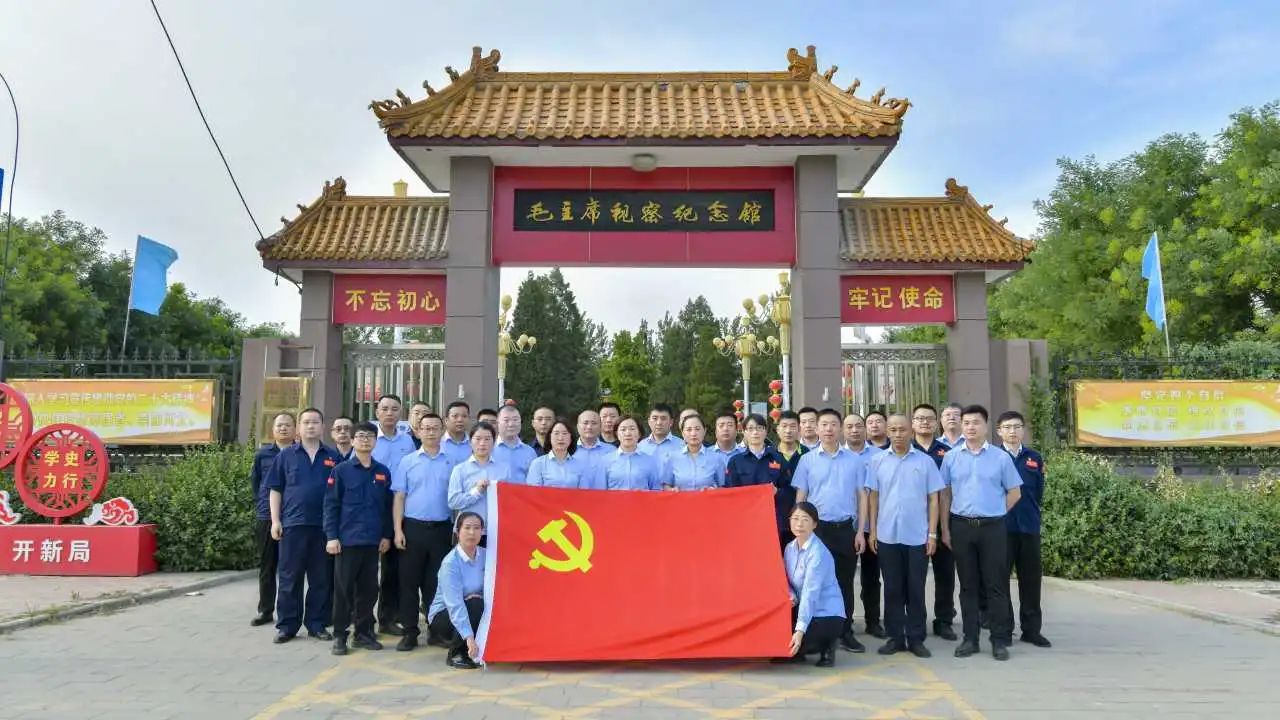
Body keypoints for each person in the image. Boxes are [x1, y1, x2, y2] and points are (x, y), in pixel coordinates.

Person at [941, 404, 1023, 661]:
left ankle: (998, 640)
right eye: (966, 423)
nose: (970, 427)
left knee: (995, 585)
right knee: (968, 586)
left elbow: (1015, 492)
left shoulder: (1000, 458)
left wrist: (996, 511)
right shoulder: (951, 457)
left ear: (986, 426)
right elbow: (945, 494)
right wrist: (945, 529)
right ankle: (970, 638)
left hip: (992, 528)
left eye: (975, 422)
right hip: (961, 527)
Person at [866, 413, 944, 658]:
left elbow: (934, 499)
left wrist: (932, 534)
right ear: (887, 432)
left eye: (902, 430)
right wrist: (873, 530)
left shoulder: (925, 462)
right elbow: (873, 498)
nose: (898, 434)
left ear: (911, 431)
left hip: (917, 536)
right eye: (893, 430)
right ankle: (895, 637)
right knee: (892, 588)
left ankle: (916, 637)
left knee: (916, 588)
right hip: (887, 535)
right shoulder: (877, 461)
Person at [792, 408, 868, 653]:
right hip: (817, 530)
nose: (828, 429)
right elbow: (801, 495)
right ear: (816, 428)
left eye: (833, 424)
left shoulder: (855, 461)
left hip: (845, 529)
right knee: (813, 582)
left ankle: (845, 632)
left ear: (840, 428)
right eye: (823, 424)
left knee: (845, 583)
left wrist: (860, 531)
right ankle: (813, 631)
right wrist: (799, 528)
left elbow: (862, 496)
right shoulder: (807, 460)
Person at [266, 407, 342, 644]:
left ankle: (316, 624)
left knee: (321, 579)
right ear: (299, 427)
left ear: (322, 427)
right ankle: (287, 625)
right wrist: (275, 521)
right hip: (293, 525)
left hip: (324, 528)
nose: (311, 426)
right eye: (306, 422)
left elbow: (341, 494)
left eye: (315, 422)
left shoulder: (333, 457)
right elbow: (275, 489)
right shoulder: (286, 456)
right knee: (290, 578)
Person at [324, 422, 394, 656]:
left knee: (368, 590)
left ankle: (363, 634)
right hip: (347, 541)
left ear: (375, 442)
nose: (365, 440)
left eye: (370, 436)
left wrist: (386, 535)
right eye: (361, 436)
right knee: (343, 591)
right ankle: (340, 635)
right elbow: (331, 505)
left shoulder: (382, 472)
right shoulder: (341, 471)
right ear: (352, 441)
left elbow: (387, 508)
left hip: (372, 542)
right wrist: (331, 536)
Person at [392, 412, 456, 652]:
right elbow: (399, 497)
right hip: (413, 528)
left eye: (435, 428)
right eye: (426, 428)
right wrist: (397, 530)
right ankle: (409, 632)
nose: (430, 432)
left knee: (436, 584)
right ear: (418, 432)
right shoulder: (408, 461)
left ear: (442, 431)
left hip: (441, 530)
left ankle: (436, 631)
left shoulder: (452, 462)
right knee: (408, 582)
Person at [996, 410, 1051, 648]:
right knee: (1000, 581)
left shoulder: (1034, 457)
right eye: (1007, 427)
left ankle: (1031, 630)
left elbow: (1038, 491)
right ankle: (1004, 629)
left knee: (1031, 580)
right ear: (999, 431)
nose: (1012, 431)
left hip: (1029, 527)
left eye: (1017, 426)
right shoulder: (993, 456)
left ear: (1023, 430)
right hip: (1001, 528)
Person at [910, 403, 958, 641]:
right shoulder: (904, 449)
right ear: (912, 423)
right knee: (914, 577)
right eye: (919, 418)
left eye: (929, 418)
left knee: (945, 574)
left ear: (936, 422)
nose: (924, 422)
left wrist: (945, 528)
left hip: (943, 522)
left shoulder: (948, 452)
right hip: (913, 523)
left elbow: (950, 489)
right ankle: (914, 620)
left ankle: (944, 620)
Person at [780, 502, 846, 668]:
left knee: (795, 639)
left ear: (815, 524)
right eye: (795, 519)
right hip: (803, 606)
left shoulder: (818, 553)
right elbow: (786, 580)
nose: (799, 524)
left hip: (826, 614)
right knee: (777, 636)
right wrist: (792, 596)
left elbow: (811, 594)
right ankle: (800, 649)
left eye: (805, 520)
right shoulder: (789, 548)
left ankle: (827, 645)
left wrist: (799, 631)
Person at [373, 395, 416, 637]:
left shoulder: (407, 441)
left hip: (400, 507)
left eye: (395, 409)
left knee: (395, 567)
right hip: (375, 507)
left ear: (401, 413)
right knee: (371, 569)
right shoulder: (369, 438)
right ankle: (363, 618)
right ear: (377, 412)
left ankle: (389, 616)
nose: (390, 413)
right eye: (385, 408)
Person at [841, 411, 884, 639]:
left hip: (873, 526)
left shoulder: (879, 455)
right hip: (846, 527)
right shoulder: (837, 455)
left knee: (871, 577)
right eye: (849, 426)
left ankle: (873, 621)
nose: (854, 430)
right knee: (844, 578)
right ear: (843, 430)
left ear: (865, 428)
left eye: (858, 425)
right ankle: (844, 624)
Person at [426, 512, 487, 670]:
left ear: (482, 532)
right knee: (475, 603)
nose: (472, 532)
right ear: (458, 531)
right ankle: (457, 653)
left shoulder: (486, 555)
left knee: (478, 603)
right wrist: (470, 639)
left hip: (471, 609)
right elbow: (455, 605)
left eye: (477, 528)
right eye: (467, 528)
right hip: (445, 617)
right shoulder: (450, 563)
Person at [250, 412, 295, 627]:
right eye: (279, 425)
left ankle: (290, 612)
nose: (283, 428)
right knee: (267, 566)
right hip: (267, 516)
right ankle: (265, 610)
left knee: (291, 568)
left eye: (287, 425)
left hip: (294, 516)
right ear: (273, 429)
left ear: (295, 429)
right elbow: (256, 484)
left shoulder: (300, 453)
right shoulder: (263, 455)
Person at [725, 413, 794, 548]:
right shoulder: (735, 461)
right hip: (745, 521)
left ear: (765, 431)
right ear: (744, 432)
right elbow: (730, 493)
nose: (755, 432)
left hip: (772, 520)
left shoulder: (778, 459)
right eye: (750, 429)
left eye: (759, 428)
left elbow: (789, 491)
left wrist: (777, 492)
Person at [447, 422, 510, 533]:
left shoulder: (504, 469)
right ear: (470, 442)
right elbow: (453, 502)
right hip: (468, 531)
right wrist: (476, 492)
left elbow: (509, 501)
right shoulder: (460, 470)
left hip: (496, 531)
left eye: (487, 439)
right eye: (478, 439)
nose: (482, 443)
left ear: (494, 442)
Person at [527, 418, 595, 488]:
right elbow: (533, 492)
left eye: (564, 433)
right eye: (556, 433)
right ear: (550, 437)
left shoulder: (580, 466)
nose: (560, 438)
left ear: (571, 438)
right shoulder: (538, 464)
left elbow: (584, 492)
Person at [663, 414, 725, 491]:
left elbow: (723, 487)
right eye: (689, 430)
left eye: (697, 429)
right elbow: (665, 486)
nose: (693, 433)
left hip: (708, 499)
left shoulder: (716, 458)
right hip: (680, 499)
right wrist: (672, 490)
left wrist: (714, 490)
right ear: (682, 433)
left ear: (704, 431)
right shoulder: (672, 457)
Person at [601, 416, 663, 491]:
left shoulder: (650, 461)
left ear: (639, 433)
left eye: (632, 429)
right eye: (623, 429)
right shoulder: (606, 461)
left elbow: (656, 490)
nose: (628, 433)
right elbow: (600, 491)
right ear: (616, 434)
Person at [492, 405, 537, 484]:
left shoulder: (530, 452)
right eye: (506, 420)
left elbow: (534, 482)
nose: (511, 424)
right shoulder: (488, 449)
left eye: (515, 420)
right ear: (497, 422)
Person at [573, 409, 613, 480]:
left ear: (600, 427)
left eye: (594, 423)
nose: (589, 427)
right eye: (585, 423)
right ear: (578, 426)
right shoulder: (568, 450)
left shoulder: (611, 451)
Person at [774, 410, 808, 479]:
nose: (788, 431)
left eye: (792, 426)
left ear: (799, 429)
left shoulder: (807, 453)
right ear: (777, 430)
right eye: (784, 426)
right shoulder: (769, 453)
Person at [441, 401, 473, 466]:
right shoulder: (437, 444)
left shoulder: (475, 444)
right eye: (455, 416)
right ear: (446, 420)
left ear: (469, 419)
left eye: (464, 416)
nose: (460, 420)